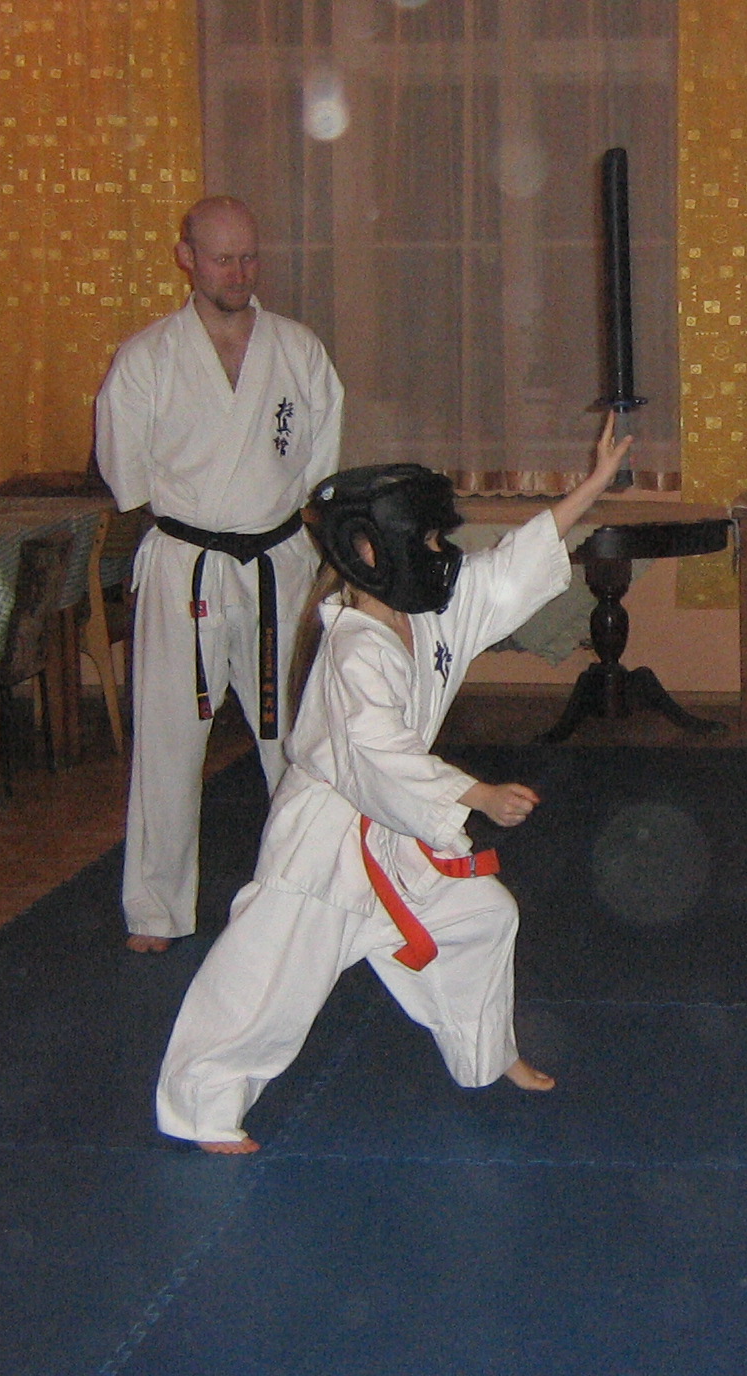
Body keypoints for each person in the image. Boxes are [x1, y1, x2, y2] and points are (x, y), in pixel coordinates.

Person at [155, 418, 633, 1153]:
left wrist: (590, 488)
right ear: (371, 551)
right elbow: (377, 753)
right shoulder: (353, 648)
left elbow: (506, 571)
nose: (442, 556)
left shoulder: (429, 616)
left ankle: (486, 1051)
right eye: (430, 541)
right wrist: (475, 795)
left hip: (395, 835)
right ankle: (202, 1104)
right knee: (266, 980)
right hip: (321, 847)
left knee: (482, 917)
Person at [95, 197, 345, 952]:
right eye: (221, 258)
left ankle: (318, 894)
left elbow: (319, 468)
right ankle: (156, 909)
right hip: (186, 567)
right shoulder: (146, 360)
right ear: (186, 258)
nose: (238, 273)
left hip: (278, 562)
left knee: (299, 736)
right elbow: (128, 476)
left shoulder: (299, 350)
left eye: (249, 257)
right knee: (169, 741)